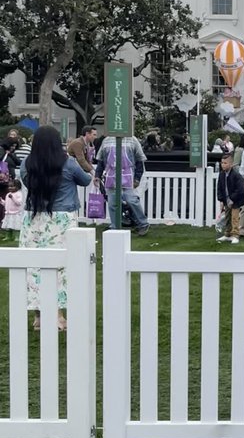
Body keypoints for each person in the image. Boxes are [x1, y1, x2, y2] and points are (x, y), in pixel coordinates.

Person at [19, 125, 92, 330]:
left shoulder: (27, 164)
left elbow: (26, 181)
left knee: (34, 268)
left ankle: (39, 317)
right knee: (61, 267)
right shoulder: (68, 163)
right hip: (62, 219)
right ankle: (58, 316)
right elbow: (86, 180)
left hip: (34, 218)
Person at [95, 132, 150, 235]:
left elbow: (139, 160)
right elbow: (101, 161)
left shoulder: (132, 140)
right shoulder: (106, 141)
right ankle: (114, 226)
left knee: (132, 200)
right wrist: (97, 175)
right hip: (111, 175)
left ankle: (143, 224)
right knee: (112, 203)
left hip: (128, 175)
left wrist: (137, 178)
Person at [216, 151, 244, 244]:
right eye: (222, 163)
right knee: (227, 217)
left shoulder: (236, 175)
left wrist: (232, 199)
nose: (223, 165)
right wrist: (221, 199)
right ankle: (227, 234)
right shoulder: (221, 174)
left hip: (235, 200)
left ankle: (235, 235)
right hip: (226, 200)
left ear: (231, 164)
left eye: (225, 163)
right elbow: (219, 188)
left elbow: (240, 190)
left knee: (234, 217)